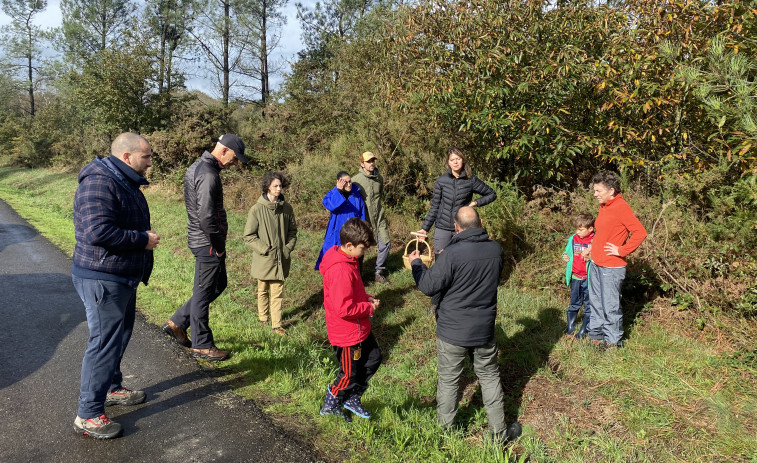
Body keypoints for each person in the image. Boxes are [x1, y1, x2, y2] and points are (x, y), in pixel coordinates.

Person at [71, 132, 160, 439]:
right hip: (102, 276)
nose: (150, 162)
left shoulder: (121, 178)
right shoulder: (100, 181)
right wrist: (142, 240)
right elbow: (98, 231)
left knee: (119, 336)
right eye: (146, 157)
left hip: (120, 275)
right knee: (104, 343)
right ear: (127, 156)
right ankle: (89, 414)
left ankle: (111, 387)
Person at [409, 207, 520, 443]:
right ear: (480, 223)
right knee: (489, 376)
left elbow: (428, 286)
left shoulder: (451, 253)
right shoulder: (496, 250)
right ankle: (499, 433)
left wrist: (417, 263)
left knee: (450, 380)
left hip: (452, 330)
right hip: (483, 329)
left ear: (456, 227)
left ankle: (445, 432)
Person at [163, 134, 248, 361]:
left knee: (218, 284)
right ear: (223, 151)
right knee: (203, 293)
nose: (235, 162)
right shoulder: (209, 175)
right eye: (234, 157)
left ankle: (178, 322)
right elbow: (206, 215)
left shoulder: (197, 167)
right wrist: (218, 245)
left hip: (202, 240)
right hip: (208, 243)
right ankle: (202, 344)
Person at [415, 148, 497, 313]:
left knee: (461, 262)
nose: (455, 162)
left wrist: (475, 203)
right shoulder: (442, 181)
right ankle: (436, 301)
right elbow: (435, 207)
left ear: (463, 160)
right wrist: (425, 228)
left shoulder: (471, 180)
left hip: (462, 230)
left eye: (458, 159)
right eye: (452, 159)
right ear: (448, 162)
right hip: (443, 228)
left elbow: (491, 193)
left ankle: (455, 296)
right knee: (440, 263)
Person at [319, 218, 382, 422]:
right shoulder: (340, 270)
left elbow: (352, 293)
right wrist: (368, 308)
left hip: (359, 328)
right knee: (347, 374)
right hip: (347, 334)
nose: (364, 252)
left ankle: (352, 398)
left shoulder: (350, 261)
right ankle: (331, 404)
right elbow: (344, 308)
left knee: (374, 358)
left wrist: (365, 298)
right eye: (362, 248)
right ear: (349, 245)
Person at [585, 171, 647, 349]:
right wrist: (593, 247)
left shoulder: (621, 207)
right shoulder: (604, 206)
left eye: (598, 191)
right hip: (596, 263)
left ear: (611, 191)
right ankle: (596, 336)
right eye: (594, 190)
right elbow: (604, 232)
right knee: (595, 302)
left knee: (610, 306)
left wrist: (622, 250)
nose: (595, 194)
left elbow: (639, 232)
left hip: (611, 267)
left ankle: (612, 342)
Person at [243, 171, 298, 336]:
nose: (279, 189)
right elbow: (249, 236)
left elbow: (293, 232)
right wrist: (265, 249)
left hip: (281, 258)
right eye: (275, 186)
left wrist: (287, 249)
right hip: (264, 259)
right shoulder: (256, 209)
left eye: (281, 185)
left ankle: (276, 325)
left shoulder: (287, 208)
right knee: (262, 290)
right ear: (267, 186)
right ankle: (263, 319)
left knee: (277, 293)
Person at [314, 171, 366, 270]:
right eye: (346, 182)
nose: (349, 184)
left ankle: (354, 277)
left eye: (350, 181)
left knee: (353, 253)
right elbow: (330, 206)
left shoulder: (356, 195)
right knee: (334, 253)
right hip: (336, 230)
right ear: (339, 182)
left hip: (353, 229)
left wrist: (362, 230)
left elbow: (362, 213)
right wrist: (339, 191)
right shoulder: (333, 193)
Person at [351, 151, 390, 283]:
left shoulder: (379, 178)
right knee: (360, 247)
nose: (372, 163)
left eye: (373, 160)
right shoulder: (356, 180)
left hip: (379, 217)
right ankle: (358, 275)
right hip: (364, 220)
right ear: (362, 164)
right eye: (368, 161)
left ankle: (378, 272)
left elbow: (380, 195)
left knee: (385, 243)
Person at [561, 213, 595, 339]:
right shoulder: (573, 239)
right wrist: (565, 257)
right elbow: (566, 253)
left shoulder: (595, 240)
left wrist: (591, 257)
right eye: (577, 229)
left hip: (589, 278)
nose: (578, 232)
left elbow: (599, 258)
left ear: (590, 229)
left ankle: (584, 329)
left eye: (581, 229)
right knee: (574, 302)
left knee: (589, 304)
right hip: (575, 277)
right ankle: (571, 327)